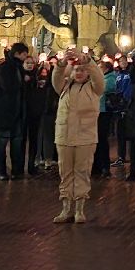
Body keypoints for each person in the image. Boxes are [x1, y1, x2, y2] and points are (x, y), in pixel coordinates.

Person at [51, 48, 104, 224]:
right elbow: (56, 79)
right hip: (64, 136)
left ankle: (79, 209)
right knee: (65, 172)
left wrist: (88, 61)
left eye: (82, 70)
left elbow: (99, 78)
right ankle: (66, 208)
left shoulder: (94, 88)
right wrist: (61, 63)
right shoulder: (65, 86)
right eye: (76, 70)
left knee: (82, 172)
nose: (79, 73)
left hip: (85, 137)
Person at [0, 42, 30, 179]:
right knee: (2, 141)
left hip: (17, 111)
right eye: (24, 54)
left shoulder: (19, 68)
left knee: (16, 142)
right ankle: (1, 170)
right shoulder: (6, 67)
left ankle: (16, 171)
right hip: (6, 110)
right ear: (17, 54)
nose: (26, 57)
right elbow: (7, 87)